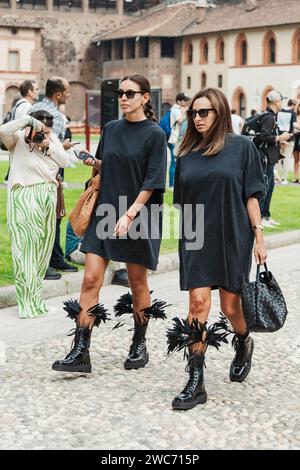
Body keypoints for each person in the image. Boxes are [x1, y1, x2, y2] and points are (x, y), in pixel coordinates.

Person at [52, 74, 168, 373]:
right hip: (106, 211)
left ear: (145, 97)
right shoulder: (111, 129)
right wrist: (95, 163)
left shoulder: (155, 134)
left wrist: (130, 214)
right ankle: (80, 351)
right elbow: (109, 164)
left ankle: (139, 343)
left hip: (139, 214)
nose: (124, 98)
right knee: (91, 278)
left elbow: (153, 181)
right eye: (121, 93)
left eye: (131, 93)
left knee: (137, 282)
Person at [167, 88, 267, 410]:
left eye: (204, 112)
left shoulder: (243, 148)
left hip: (233, 235)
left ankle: (243, 340)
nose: (197, 118)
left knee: (230, 307)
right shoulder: (186, 154)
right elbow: (180, 202)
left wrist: (259, 238)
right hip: (196, 235)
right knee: (197, 302)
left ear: (220, 112)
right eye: (194, 113)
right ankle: (196, 380)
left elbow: (252, 195)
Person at [0, 110, 70, 318]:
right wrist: (28, 122)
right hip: (24, 197)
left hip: (47, 199)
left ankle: (36, 300)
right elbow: (2, 129)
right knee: (24, 251)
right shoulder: (17, 139)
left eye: (46, 130)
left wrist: (47, 143)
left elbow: (65, 161)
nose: (42, 134)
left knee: (42, 252)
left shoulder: (52, 140)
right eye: (39, 130)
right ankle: (26, 304)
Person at [29, 77, 78, 280]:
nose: (69, 94)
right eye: (67, 91)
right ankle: (47, 261)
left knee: (50, 217)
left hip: (32, 169)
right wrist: (63, 148)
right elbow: (49, 147)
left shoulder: (35, 106)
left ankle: (55, 257)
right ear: (58, 94)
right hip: (49, 172)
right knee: (51, 217)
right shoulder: (56, 116)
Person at [258, 91, 291, 228]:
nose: (282, 103)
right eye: (281, 101)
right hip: (265, 157)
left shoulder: (270, 116)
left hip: (270, 157)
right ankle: (260, 218)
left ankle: (266, 216)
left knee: (270, 187)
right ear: (276, 102)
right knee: (265, 188)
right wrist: (280, 138)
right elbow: (263, 137)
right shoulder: (269, 118)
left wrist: (279, 142)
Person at [65, 221, 130, 287]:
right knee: (112, 237)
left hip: (88, 248)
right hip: (76, 251)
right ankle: (120, 272)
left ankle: (126, 269)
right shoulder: (85, 214)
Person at [3, 80, 39, 183]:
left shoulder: (18, 104)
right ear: (30, 92)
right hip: (21, 149)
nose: (38, 91)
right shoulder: (26, 107)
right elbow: (25, 131)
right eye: (36, 89)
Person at [168, 93, 190, 187]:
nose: (186, 102)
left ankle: (173, 183)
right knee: (174, 162)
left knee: (176, 162)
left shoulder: (177, 109)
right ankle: (172, 184)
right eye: (184, 100)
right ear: (179, 101)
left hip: (176, 139)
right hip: (174, 139)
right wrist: (186, 113)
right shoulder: (176, 110)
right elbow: (180, 121)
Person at [277, 98, 297, 184]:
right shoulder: (293, 113)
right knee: (287, 158)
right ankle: (284, 178)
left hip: (280, 137)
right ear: (292, 105)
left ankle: (276, 176)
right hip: (289, 138)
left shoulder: (280, 111)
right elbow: (294, 124)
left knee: (277, 158)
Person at [292, 101, 300, 183]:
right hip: (295, 137)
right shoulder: (295, 116)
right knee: (296, 159)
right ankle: (295, 177)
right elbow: (293, 126)